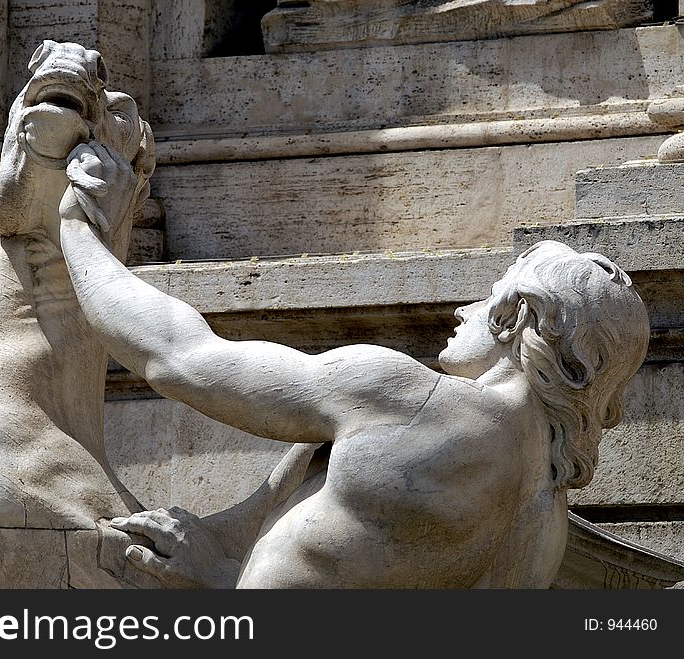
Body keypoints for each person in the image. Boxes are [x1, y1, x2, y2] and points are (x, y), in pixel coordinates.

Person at [58, 144, 650, 588]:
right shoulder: (546, 520)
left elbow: (179, 358)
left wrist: (80, 226)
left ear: (514, 318)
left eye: (486, 299)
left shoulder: (408, 402)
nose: (464, 309)